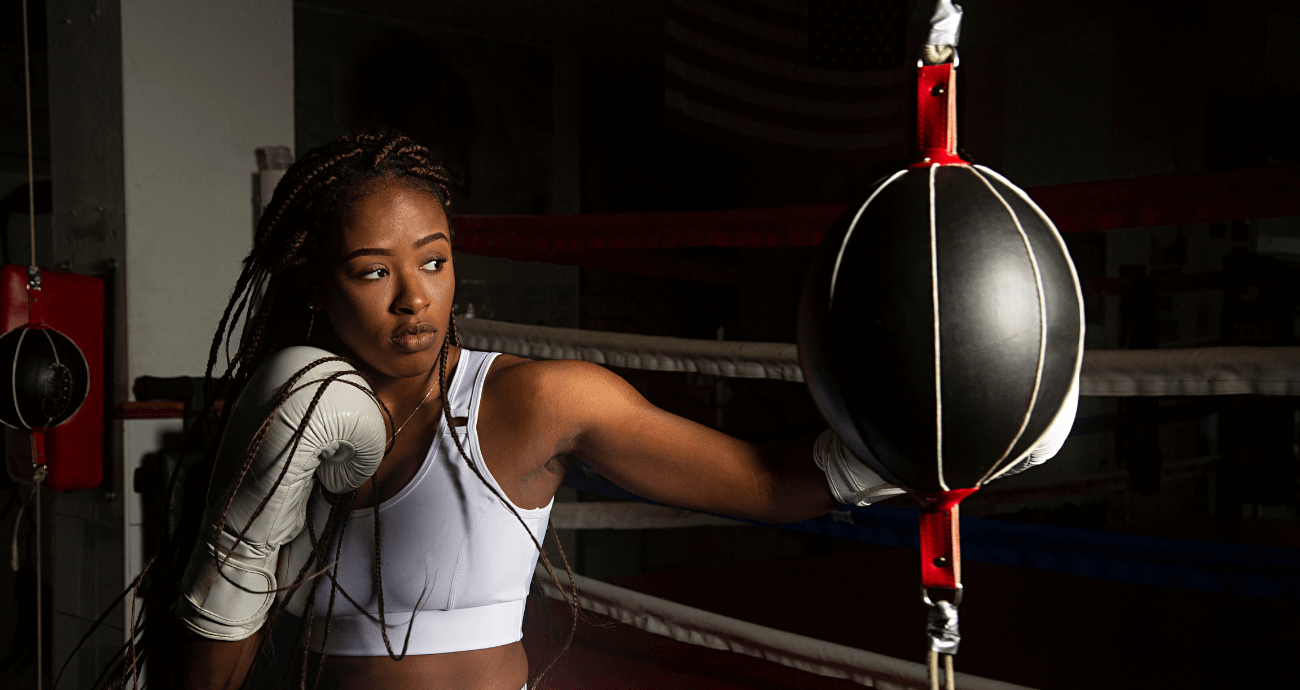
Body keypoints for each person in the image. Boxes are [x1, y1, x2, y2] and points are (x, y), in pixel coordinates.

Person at [128, 132, 1073, 690]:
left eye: (434, 258)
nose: (414, 297)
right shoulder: (292, 411)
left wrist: (942, 441)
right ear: (317, 288)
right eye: (373, 272)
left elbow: (771, 481)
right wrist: (243, 529)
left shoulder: (535, 401)